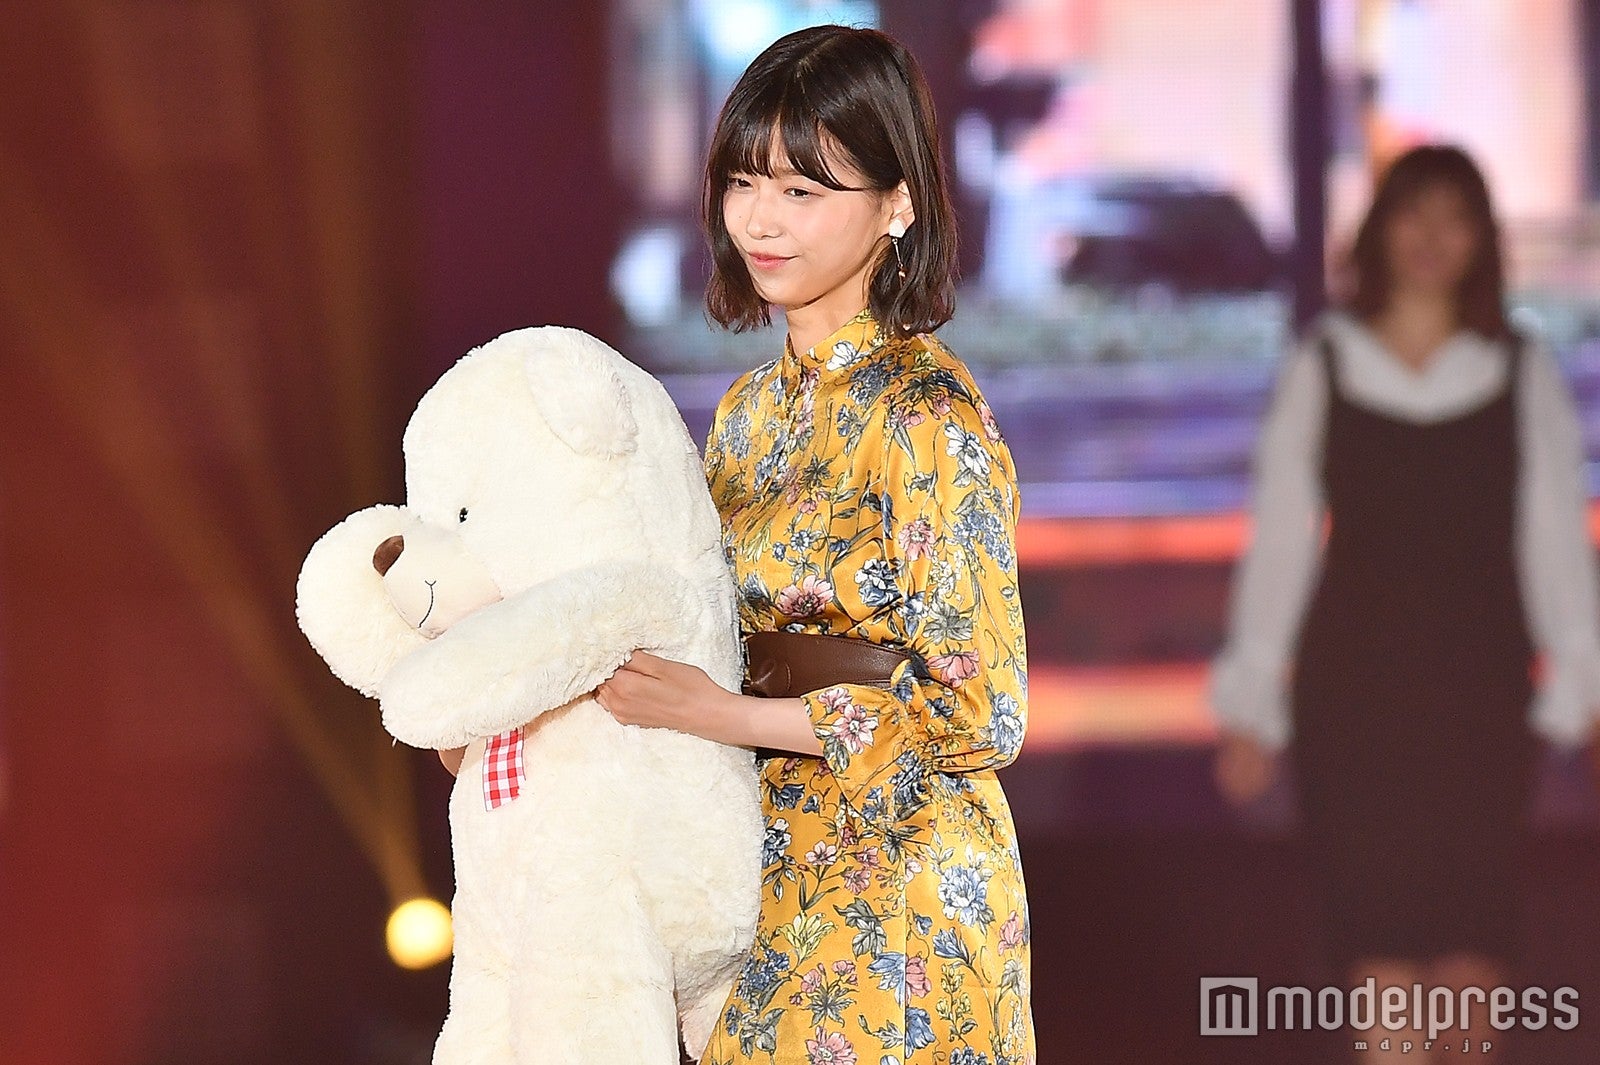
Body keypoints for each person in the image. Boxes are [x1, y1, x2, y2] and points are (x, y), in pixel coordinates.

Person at [592, 25, 1035, 1065]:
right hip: (762, 869)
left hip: (901, 893)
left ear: (898, 204)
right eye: (744, 182)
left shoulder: (929, 415)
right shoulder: (747, 413)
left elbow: (983, 708)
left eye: (801, 189)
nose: (760, 218)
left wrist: (724, 714)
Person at [1211, 144, 1600, 1061]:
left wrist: (1585, 686)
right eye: (1412, 213)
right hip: (1356, 698)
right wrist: (1251, 706)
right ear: (1380, 229)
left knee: (1472, 948)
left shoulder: (1518, 368)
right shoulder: (1326, 361)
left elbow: (1553, 538)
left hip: (1480, 695)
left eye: (1454, 218)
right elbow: (1281, 539)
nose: (1431, 237)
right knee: (1377, 939)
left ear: (1483, 240)